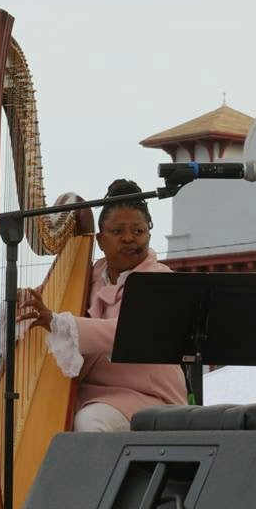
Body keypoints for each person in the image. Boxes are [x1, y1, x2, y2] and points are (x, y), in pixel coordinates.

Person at [17, 179, 188, 432]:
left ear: (149, 236)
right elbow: (44, 306)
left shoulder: (158, 278)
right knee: (40, 417)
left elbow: (128, 331)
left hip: (148, 395)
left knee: (90, 421)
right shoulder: (91, 274)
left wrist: (57, 322)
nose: (129, 239)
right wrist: (23, 302)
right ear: (99, 240)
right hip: (90, 393)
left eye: (138, 231)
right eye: (118, 231)